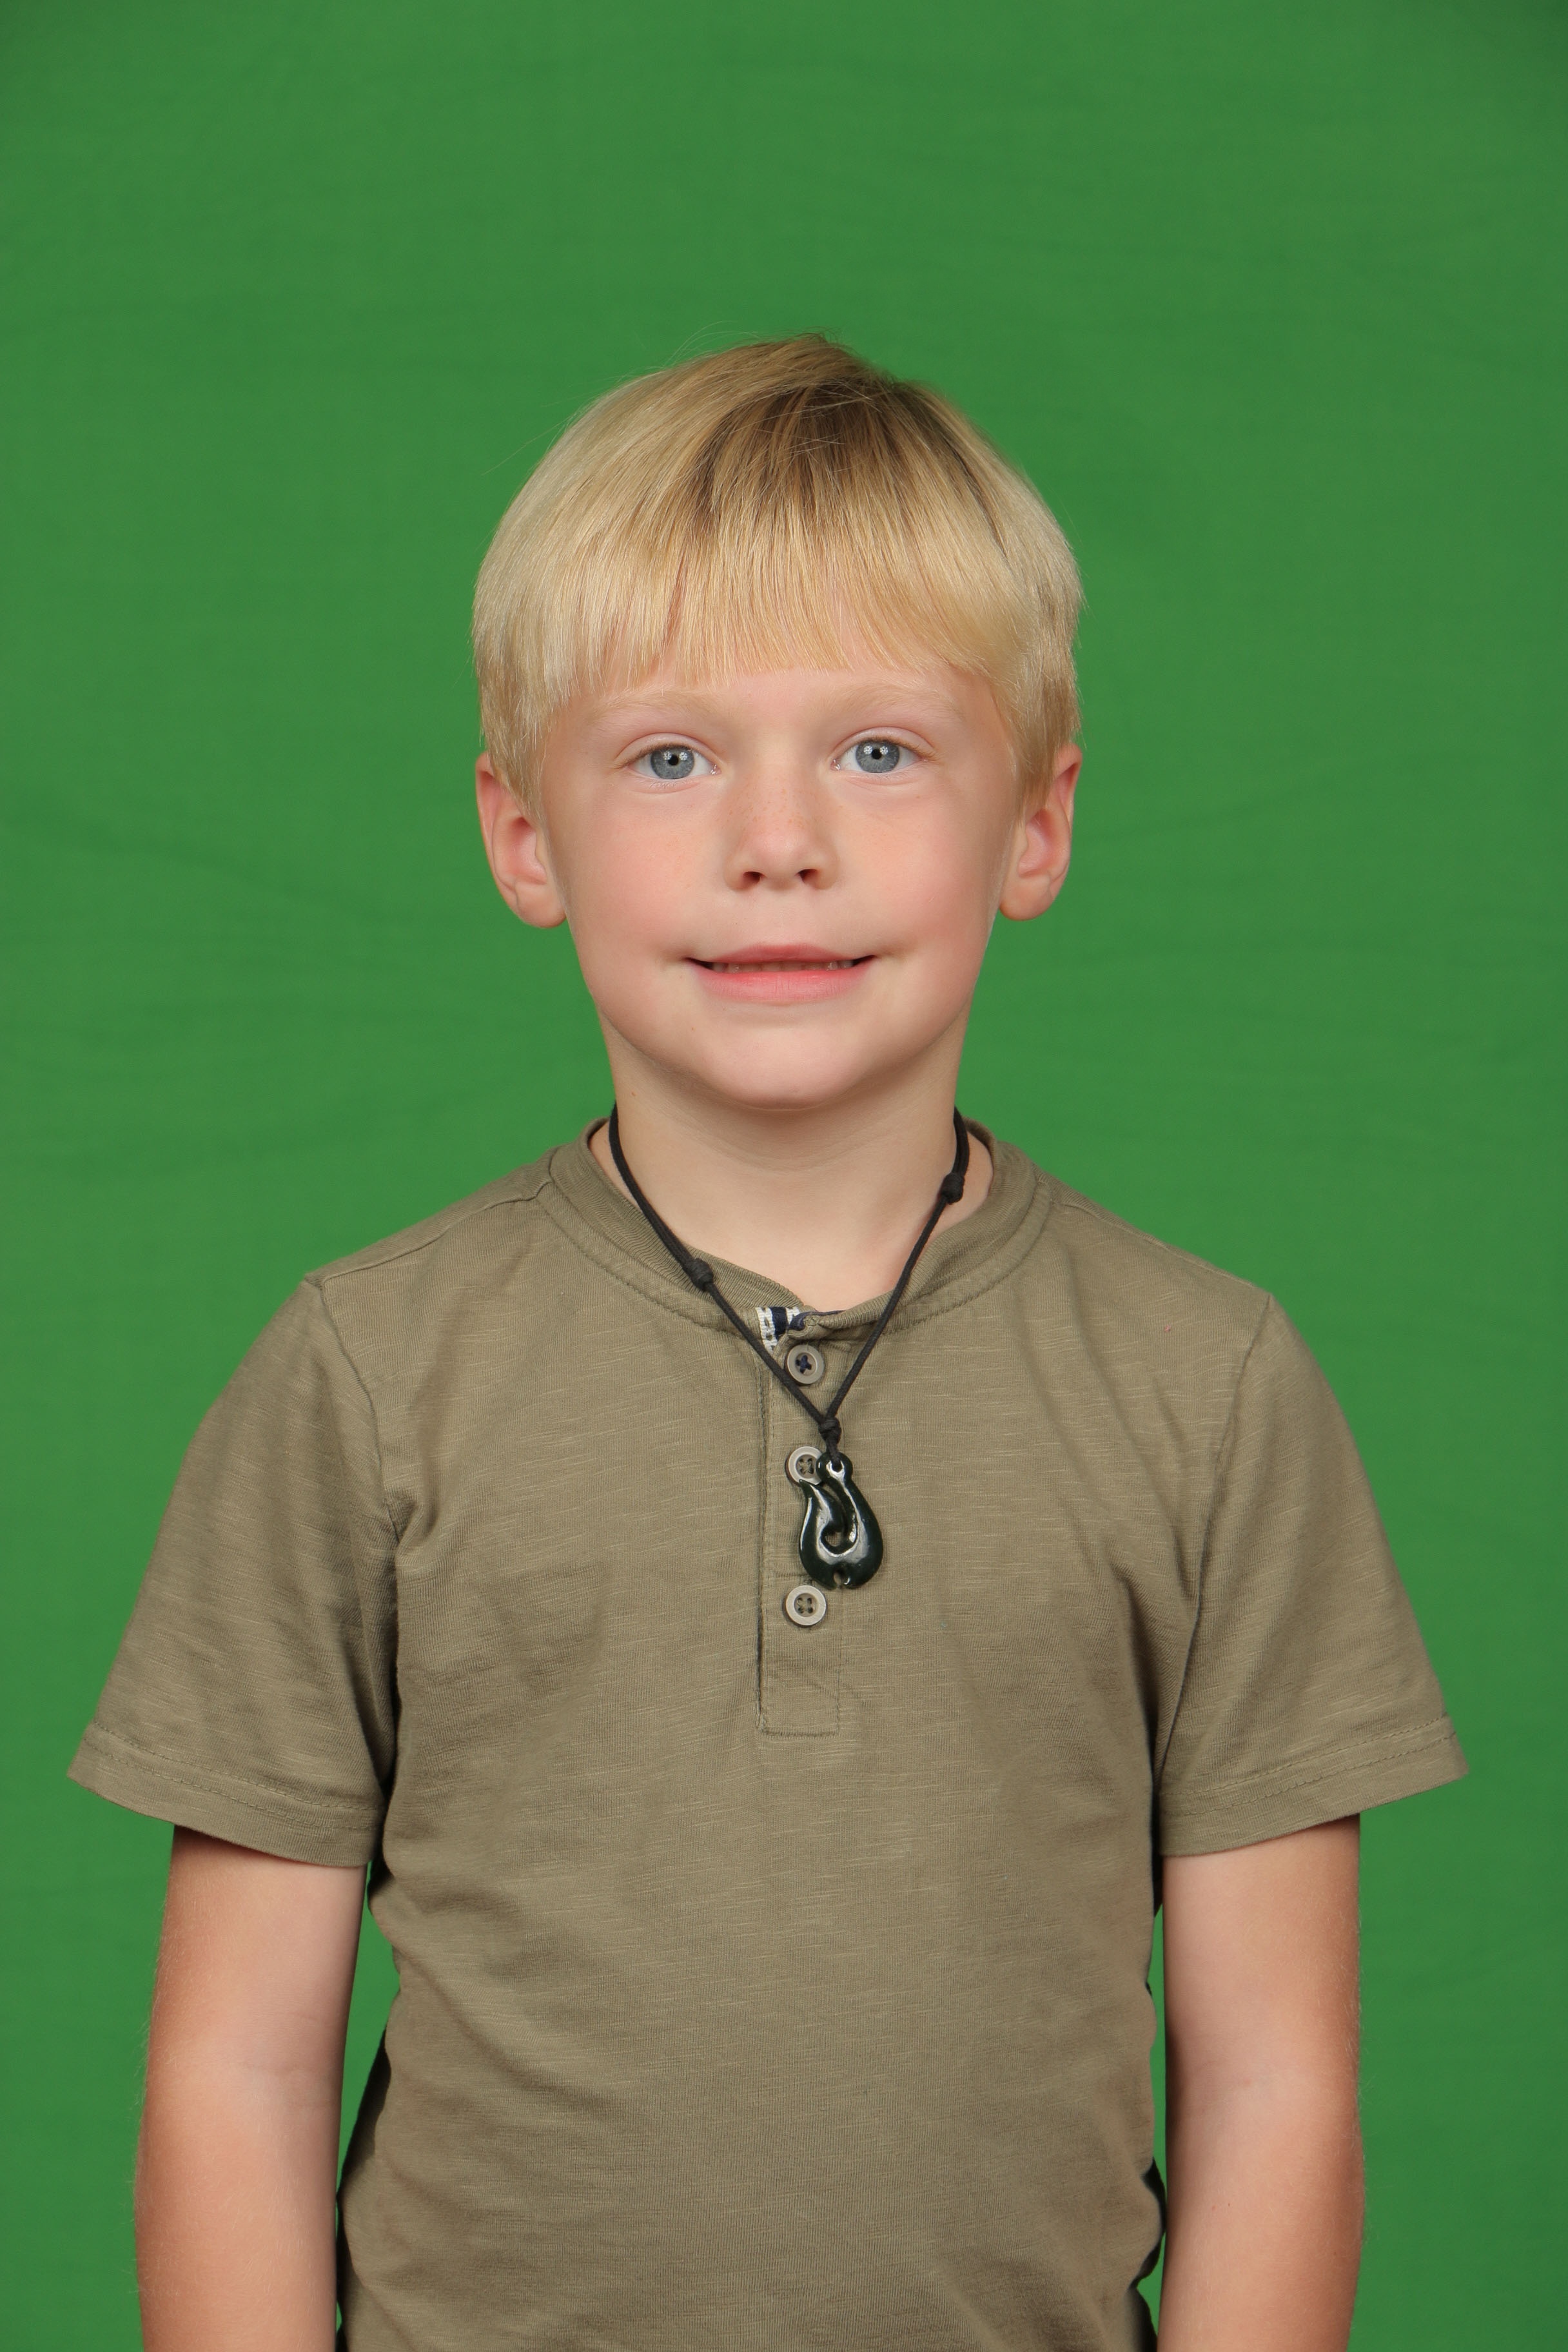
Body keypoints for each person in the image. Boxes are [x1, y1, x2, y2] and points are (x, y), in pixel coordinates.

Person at [70, 335, 1465, 2352]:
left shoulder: (1212, 1391)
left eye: (880, 751)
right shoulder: (364, 1377)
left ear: (1039, 822)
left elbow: (1276, 2092)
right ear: (523, 835)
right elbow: (234, 2074)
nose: (778, 838)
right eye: (671, 757)